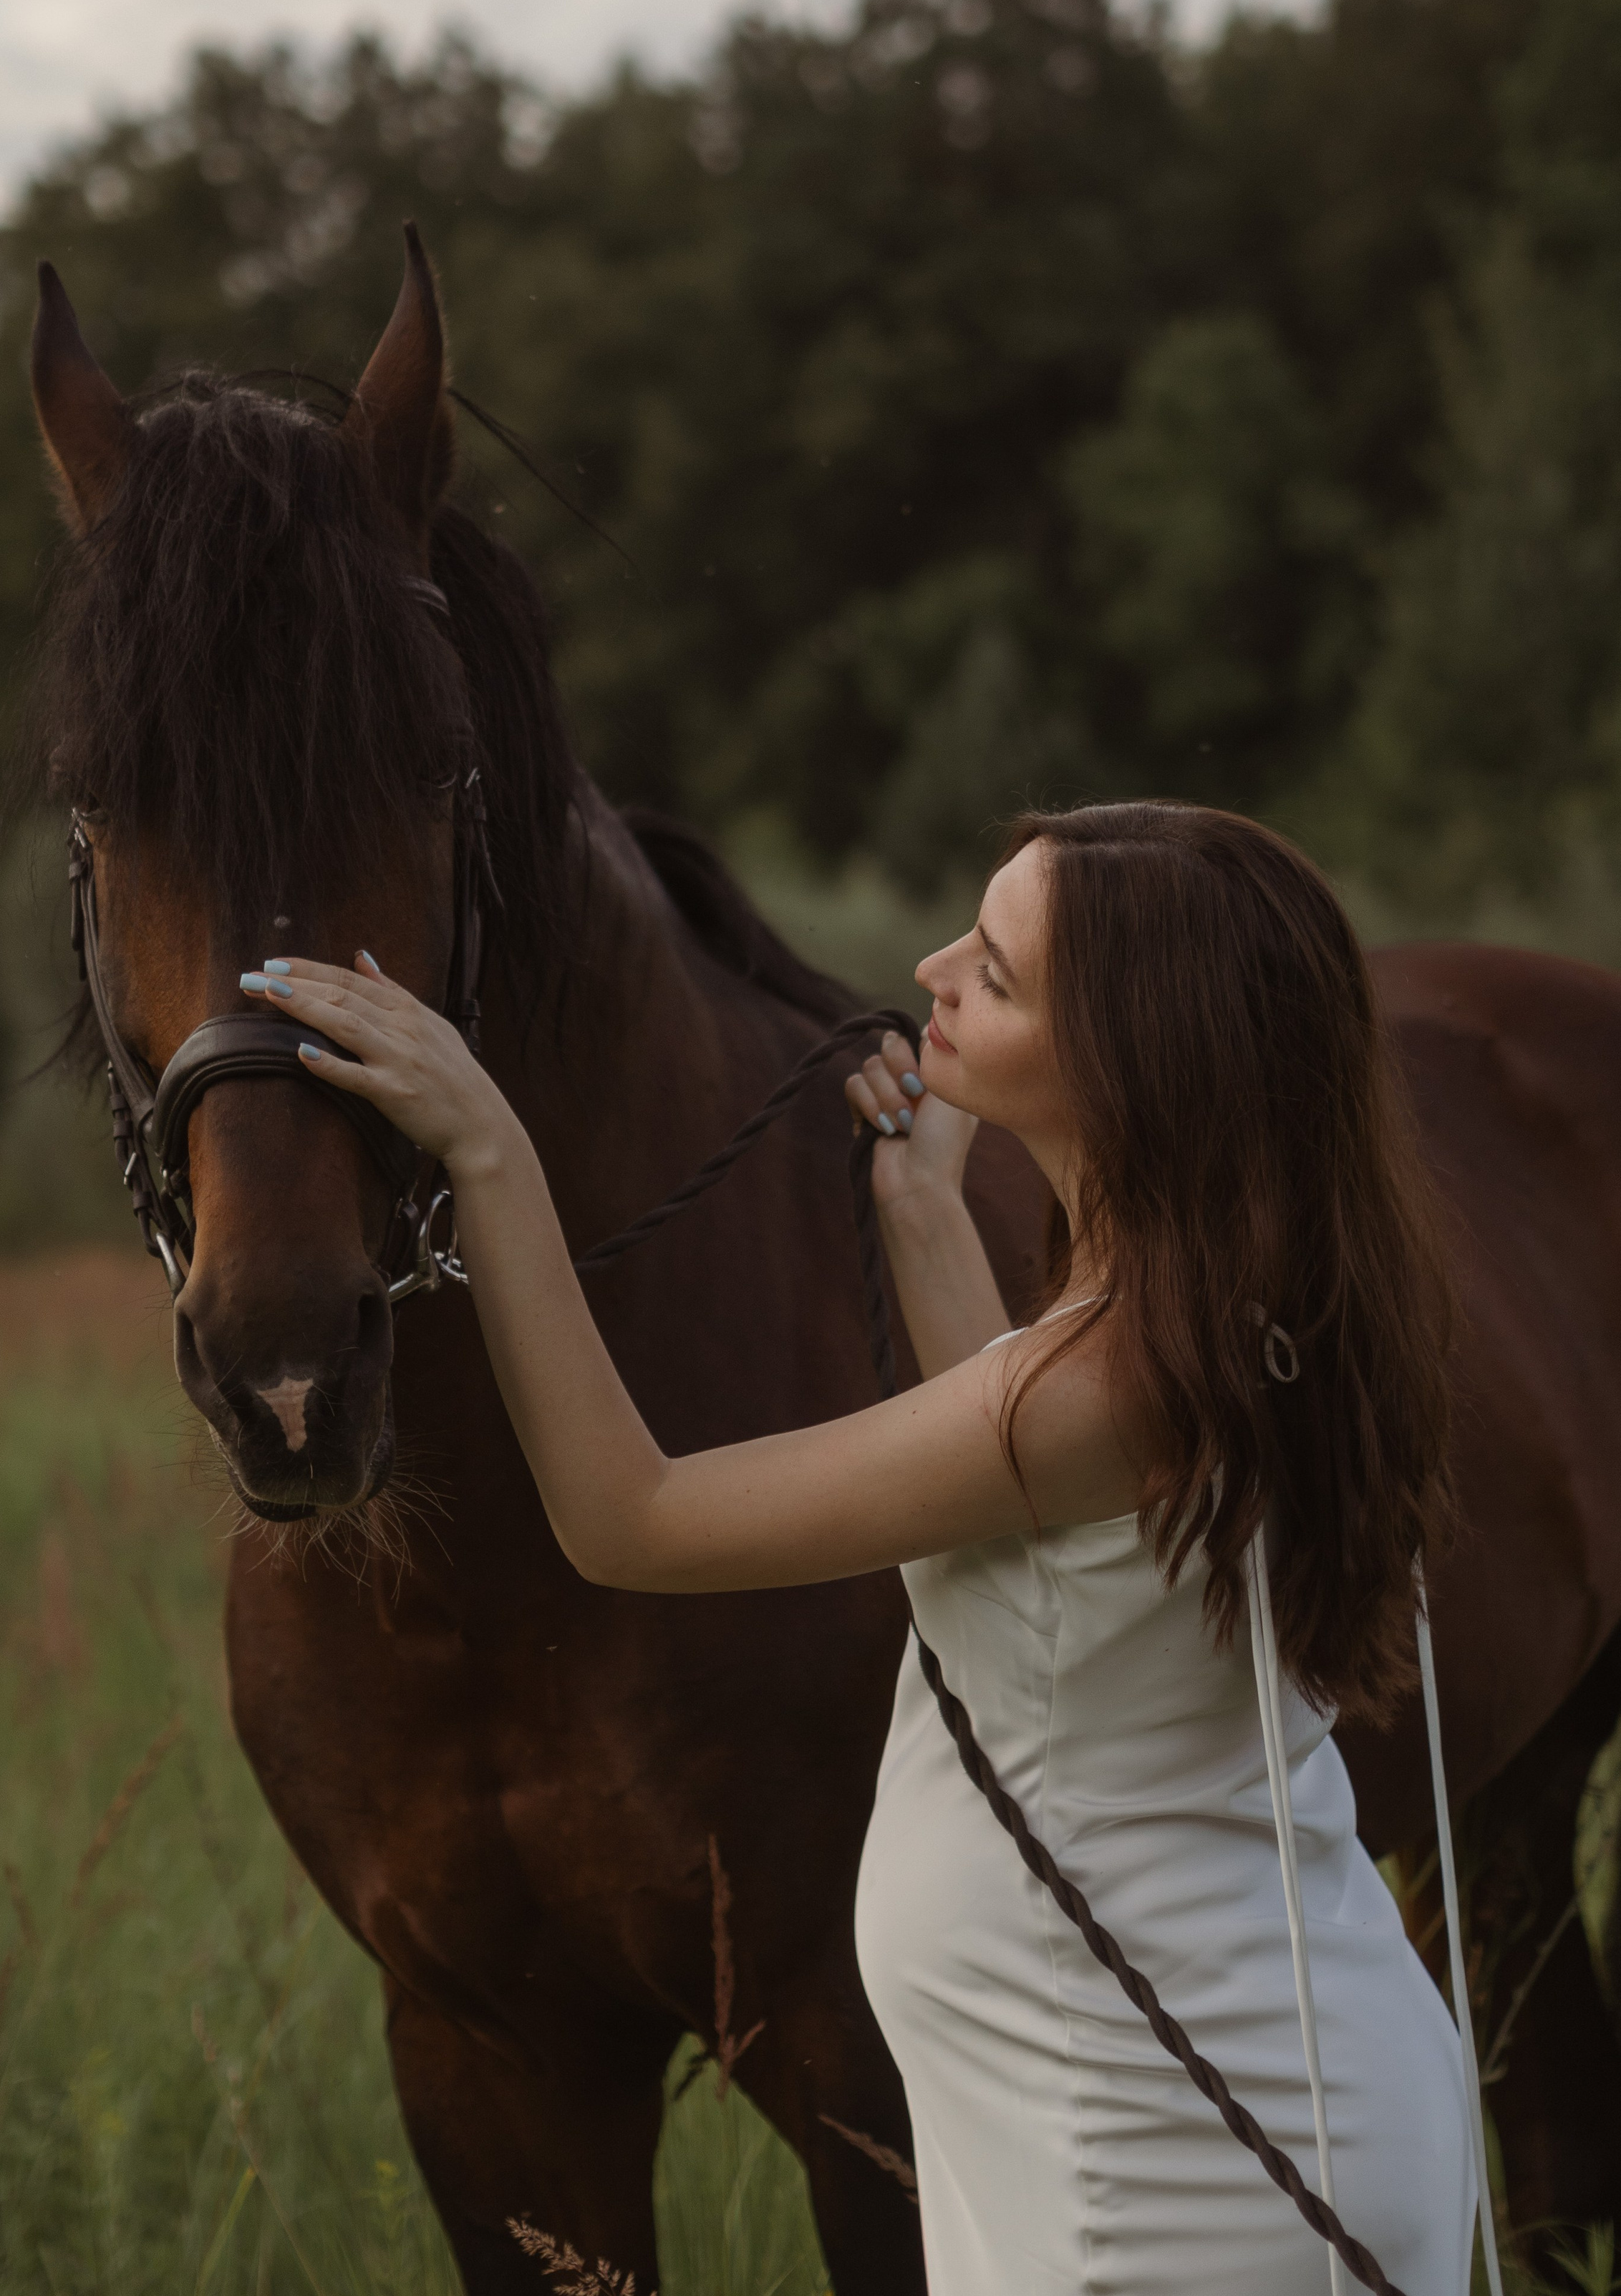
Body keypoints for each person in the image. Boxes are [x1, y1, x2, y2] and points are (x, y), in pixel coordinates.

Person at [241, 797, 1474, 2296]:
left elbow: (627, 1520)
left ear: (1134, 1061)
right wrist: (918, 1210)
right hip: (1241, 2093)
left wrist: (487, 1150)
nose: (930, 967)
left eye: (997, 973)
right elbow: (1021, 1518)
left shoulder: (1105, 1382)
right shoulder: (1230, 1321)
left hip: (1156, 2160)